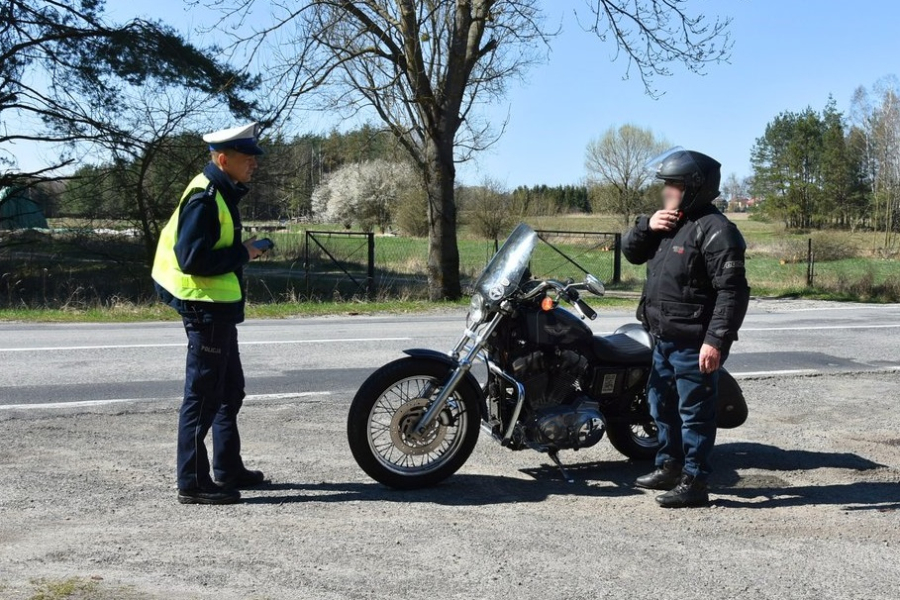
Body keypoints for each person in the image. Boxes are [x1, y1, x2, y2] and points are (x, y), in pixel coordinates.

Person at [622, 148, 750, 508]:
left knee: (695, 414)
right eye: (666, 184)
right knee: (660, 405)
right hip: (662, 337)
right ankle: (669, 466)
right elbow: (631, 252)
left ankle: (695, 481)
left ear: (694, 186)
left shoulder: (718, 231)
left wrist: (716, 340)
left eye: (673, 185)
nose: (666, 191)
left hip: (694, 342)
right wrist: (647, 226)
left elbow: (732, 292)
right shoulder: (668, 223)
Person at [151, 123, 269, 505]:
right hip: (204, 308)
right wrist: (244, 253)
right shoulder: (205, 197)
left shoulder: (221, 191)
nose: (254, 164)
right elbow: (191, 259)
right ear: (223, 159)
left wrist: (242, 251)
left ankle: (227, 468)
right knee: (203, 396)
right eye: (247, 158)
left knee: (229, 390)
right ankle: (192, 482)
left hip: (216, 308)